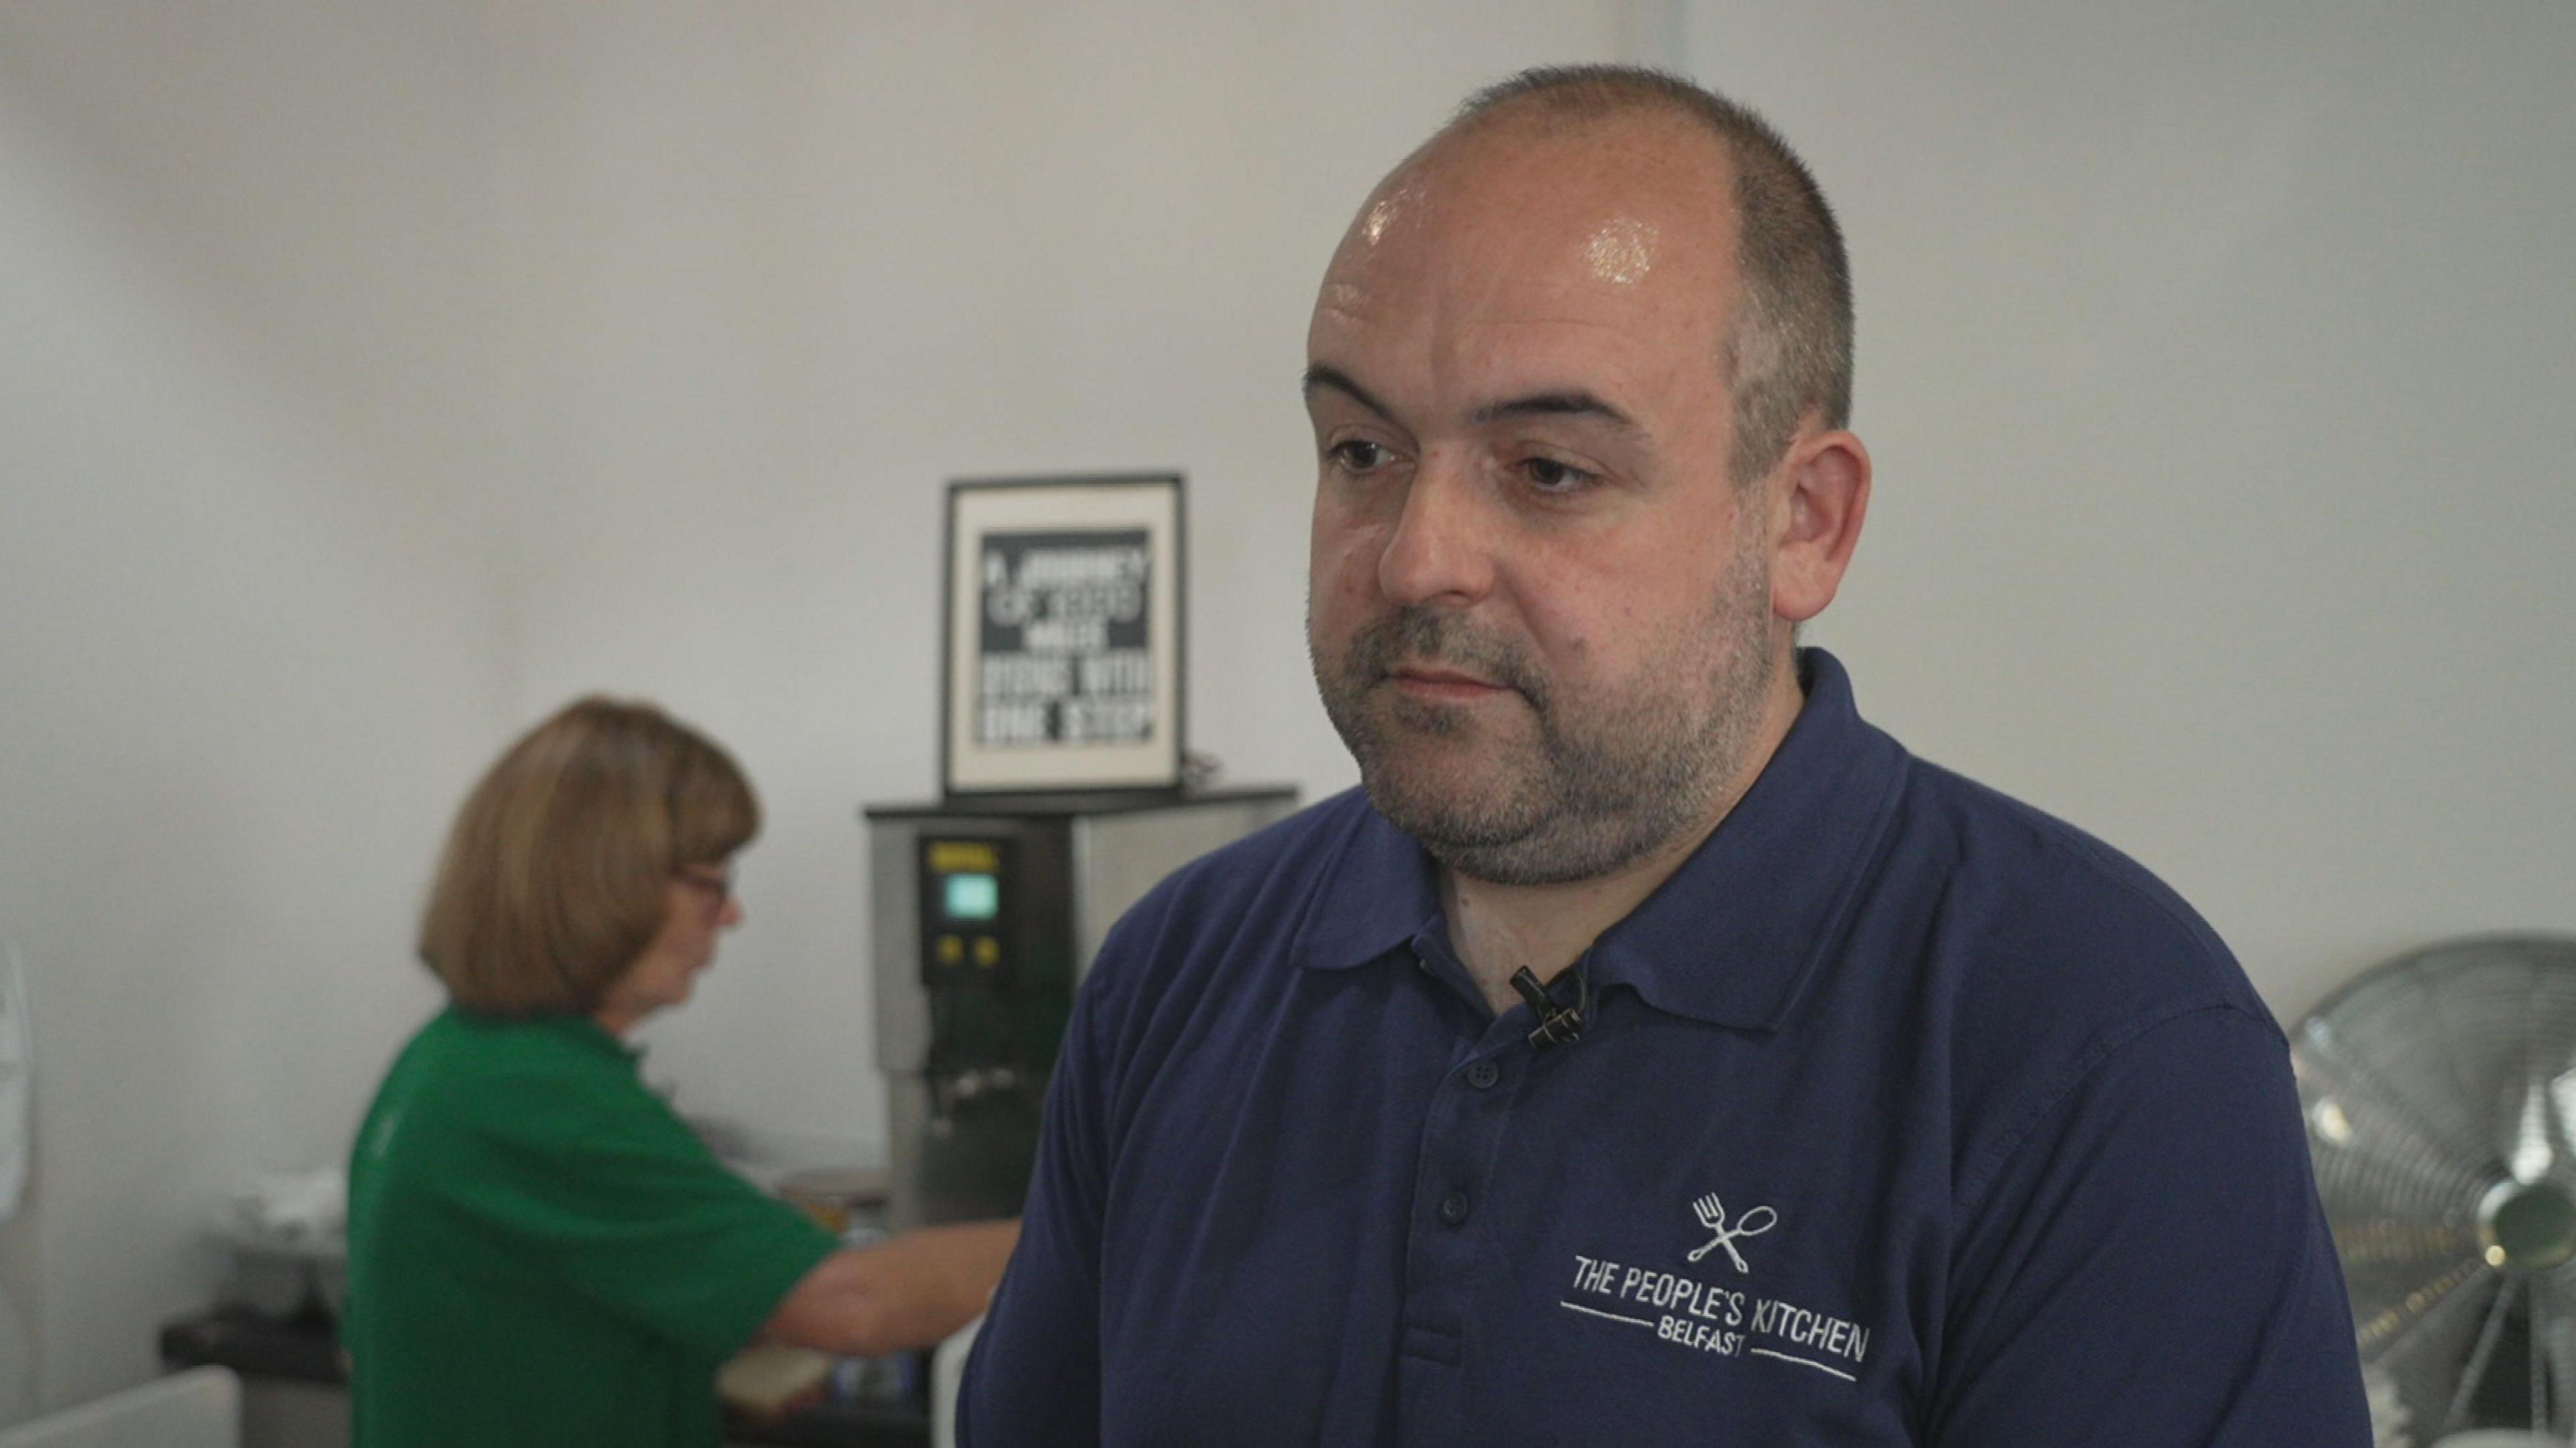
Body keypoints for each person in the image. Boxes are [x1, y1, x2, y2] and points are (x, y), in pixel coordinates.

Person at [960, 65, 2370, 1445]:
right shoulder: (1179, 973)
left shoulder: (2101, 1047)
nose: (1415, 556)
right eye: (1361, 450)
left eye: (1550, 469)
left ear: (1803, 520)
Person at [343, 698, 1017, 1447]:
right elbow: (854, 1303)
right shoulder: (538, 1096)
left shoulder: (452, 1056)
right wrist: (1095, 1233)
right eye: (712, 882)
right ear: (608, 882)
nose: (731, 916)